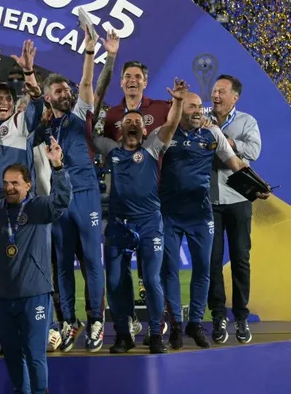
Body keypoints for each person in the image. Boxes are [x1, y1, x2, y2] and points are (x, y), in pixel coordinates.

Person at [91, 79, 187, 355]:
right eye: (127, 122)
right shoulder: (112, 150)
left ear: (144, 130)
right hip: (119, 224)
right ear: (120, 129)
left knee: (153, 279)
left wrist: (178, 102)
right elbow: (90, 134)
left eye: (137, 122)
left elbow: (169, 126)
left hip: (148, 223)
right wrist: (94, 104)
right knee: (116, 281)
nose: (132, 124)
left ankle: (156, 334)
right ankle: (124, 334)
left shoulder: (152, 148)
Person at [159, 91, 255, 350]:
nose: (199, 111)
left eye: (200, 106)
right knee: (170, 271)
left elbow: (234, 162)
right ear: (180, 110)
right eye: (192, 107)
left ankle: (196, 324)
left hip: (201, 214)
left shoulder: (213, 134)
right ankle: (177, 326)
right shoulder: (166, 134)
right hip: (169, 214)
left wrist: (257, 185)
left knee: (203, 270)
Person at [0, 38, 43, 356]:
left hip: (15, 209)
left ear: (13, 104)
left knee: (18, 272)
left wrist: (29, 73)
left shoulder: (19, 124)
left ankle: (38, 331)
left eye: (6, 98)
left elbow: (38, 106)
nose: (1, 102)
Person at [0, 139, 69, 394]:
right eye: (6, 183)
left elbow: (62, 200)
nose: (9, 188)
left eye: (15, 183)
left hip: (34, 293)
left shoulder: (38, 208)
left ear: (27, 185)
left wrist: (58, 166)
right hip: (3, 296)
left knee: (35, 354)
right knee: (11, 353)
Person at [43, 27, 106, 352]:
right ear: (47, 97)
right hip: (59, 199)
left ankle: (96, 320)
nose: (66, 92)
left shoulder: (81, 113)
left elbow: (86, 83)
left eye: (67, 89)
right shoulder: (42, 126)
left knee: (93, 261)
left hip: (86, 194)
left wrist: (90, 51)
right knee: (63, 264)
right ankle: (69, 321)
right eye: (58, 90)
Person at [208, 74, 262, 344]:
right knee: (212, 262)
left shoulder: (246, 122)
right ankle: (218, 316)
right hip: (209, 201)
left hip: (238, 199)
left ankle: (241, 317)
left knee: (241, 259)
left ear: (234, 98)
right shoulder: (202, 120)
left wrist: (230, 144)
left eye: (221, 91)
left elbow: (254, 151)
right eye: (214, 90)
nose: (215, 95)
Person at [100, 61, 171, 141]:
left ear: (145, 83)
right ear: (121, 83)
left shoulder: (161, 108)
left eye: (138, 76)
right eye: (127, 76)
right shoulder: (112, 114)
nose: (132, 80)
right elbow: (109, 148)